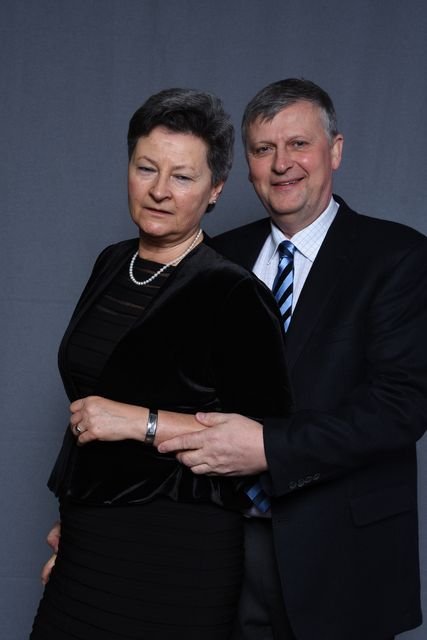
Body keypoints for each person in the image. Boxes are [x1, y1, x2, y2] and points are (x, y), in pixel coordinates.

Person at [158, 79, 427, 640]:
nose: (282, 164)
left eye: (298, 144)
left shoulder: (398, 257)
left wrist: (268, 448)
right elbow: (169, 393)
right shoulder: (213, 259)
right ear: (248, 166)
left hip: (343, 557)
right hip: (221, 551)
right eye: (264, 149)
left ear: (335, 151)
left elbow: (401, 407)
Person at [30, 88, 293, 640]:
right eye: (146, 167)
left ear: (215, 189)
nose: (158, 190)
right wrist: (72, 522)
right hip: (89, 538)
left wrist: (140, 421)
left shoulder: (233, 292)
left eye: (183, 176)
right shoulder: (111, 263)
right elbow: (91, 404)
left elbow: (266, 440)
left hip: (177, 551)